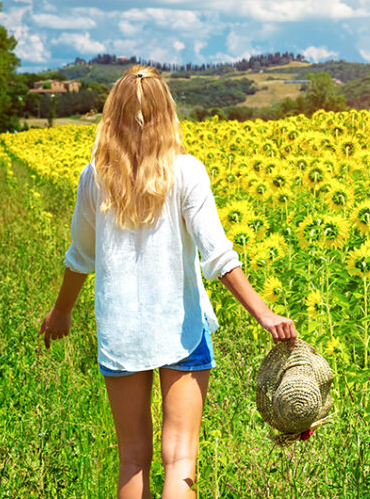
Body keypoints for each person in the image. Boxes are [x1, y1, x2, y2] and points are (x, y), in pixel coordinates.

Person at [38, 65, 297, 499]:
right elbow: (218, 256)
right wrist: (264, 313)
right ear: (167, 114)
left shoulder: (94, 178)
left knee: (132, 459)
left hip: (120, 333)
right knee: (179, 459)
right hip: (183, 329)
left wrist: (61, 312)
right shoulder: (187, 172)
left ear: (112, 116)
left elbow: (80, 258)